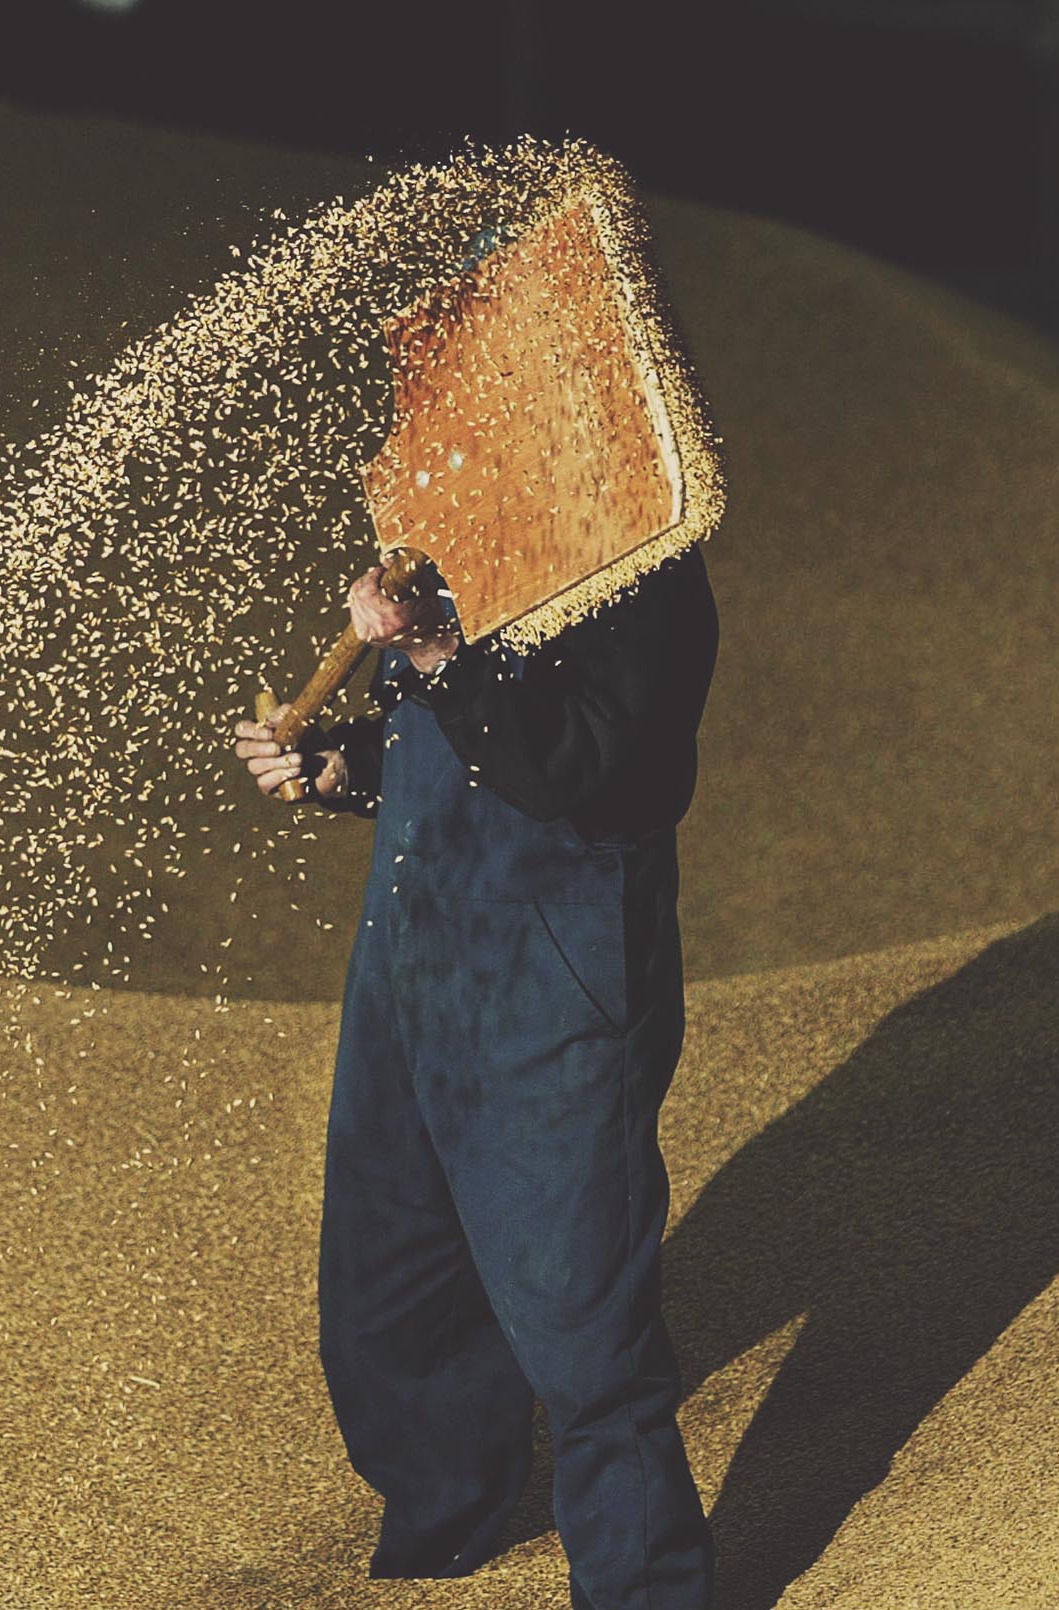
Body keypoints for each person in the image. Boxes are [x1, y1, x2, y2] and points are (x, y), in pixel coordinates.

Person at [230, 545, 719, 1610]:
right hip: (410, 955)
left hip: (557, 974)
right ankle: (443, 1526)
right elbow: (435, 746)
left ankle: (647, 1586)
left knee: (583, 1319)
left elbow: (582, 765)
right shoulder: (460, 544)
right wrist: (346, 766)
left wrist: (438, 650)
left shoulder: (642, 569)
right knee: (386, 1288)